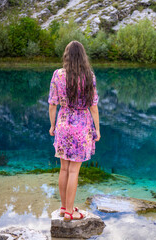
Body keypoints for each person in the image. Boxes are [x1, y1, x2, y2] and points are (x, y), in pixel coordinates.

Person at [48, 41, 100, 222]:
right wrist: (97, 129)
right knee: (73, 172)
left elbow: (52, 104)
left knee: (63, 169)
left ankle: (64, 208)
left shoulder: (58, 75)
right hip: (81, 126)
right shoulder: (88, 76)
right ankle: (70, 212)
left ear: (67, 55)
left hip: (63, 124)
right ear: (83, 56)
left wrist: (53, 125)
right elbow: (93, 107)